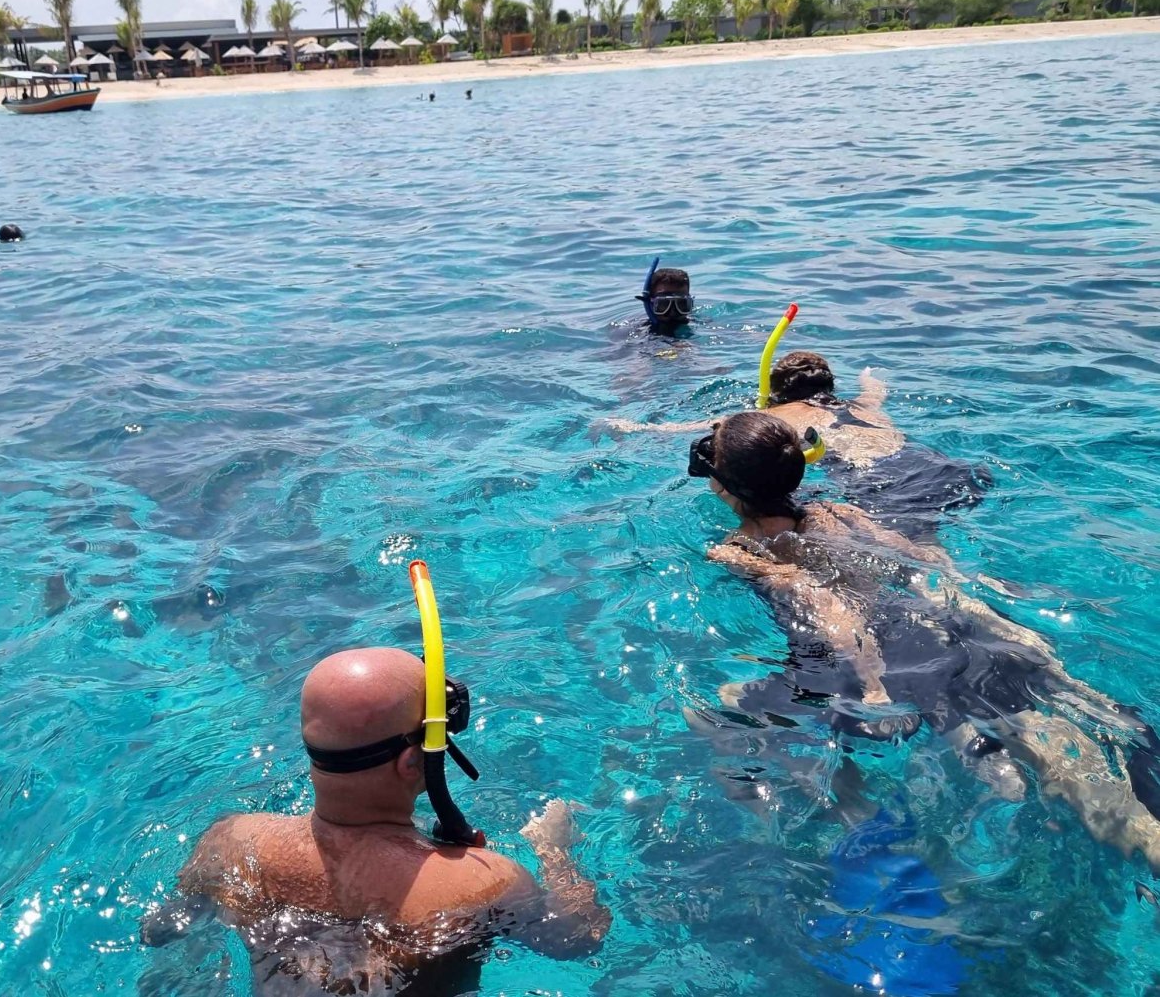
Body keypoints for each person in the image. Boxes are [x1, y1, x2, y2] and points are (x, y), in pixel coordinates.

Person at [684, 411, 1160, 870]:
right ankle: (1144, 832)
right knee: (1052, 736)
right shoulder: (837, 511)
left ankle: (850, 811)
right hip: (934, 621)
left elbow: (826, 608)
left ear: (724, 486)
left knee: (717, 708)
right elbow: (917, 559)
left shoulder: (737, 550)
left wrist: (870, 683)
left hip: (880, 658)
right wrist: (983, 612)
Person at [143, 644, 611, 993]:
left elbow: (159, 932)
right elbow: (579, 939)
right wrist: (556, 851)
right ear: (412, 763)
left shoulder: (228, 840)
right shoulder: (482, 882)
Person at [609, 350, 989, 539]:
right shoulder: (863, 405)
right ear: (829, 388)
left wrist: (629, 426)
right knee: (930, 556)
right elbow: (876, 387)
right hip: (927, 468)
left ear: (774, 392)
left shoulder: (778, 416)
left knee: (912, 559)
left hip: (872, 485)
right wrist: (868, 376)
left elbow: (697, 428)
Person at [634, 259, 693, 334]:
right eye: (664, 304)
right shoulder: (638, 332)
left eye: (681, 304)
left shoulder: (700, 323)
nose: (672, 313)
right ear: (650, 303)